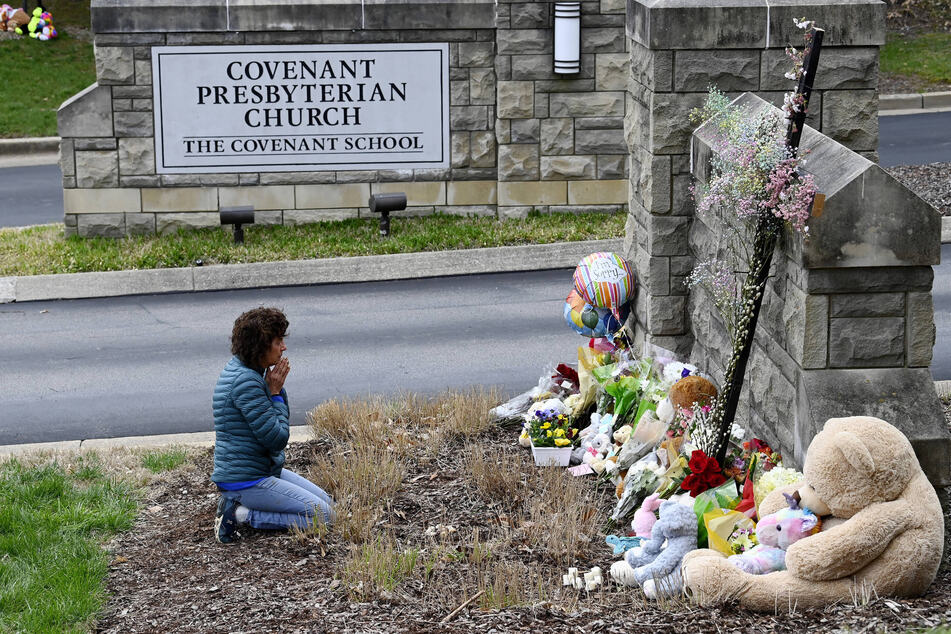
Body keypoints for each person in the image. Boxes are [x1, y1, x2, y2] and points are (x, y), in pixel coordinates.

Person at [212, 307, 334, 544]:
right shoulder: (246, 381)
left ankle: (240, 505)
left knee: (329, 504)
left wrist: (274, 391)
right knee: (326, 518)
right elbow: (277, 439)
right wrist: (275, 392)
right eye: (278, 341)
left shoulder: (249, 369)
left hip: (259, 470)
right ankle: (241, 514)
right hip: (246, 480)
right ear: (260, 346)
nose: (284, 347)